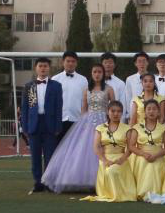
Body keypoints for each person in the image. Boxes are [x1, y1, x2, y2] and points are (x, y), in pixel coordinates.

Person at [43, 64, 113, 193]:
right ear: (91, 74)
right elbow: (84, 109)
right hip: (88, 123)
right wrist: (82, 124)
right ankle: (88, 181)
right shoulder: (87, 89)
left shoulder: (109, 89)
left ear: (103, 74)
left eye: (99, 72)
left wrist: (112, 123)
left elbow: (113, 107)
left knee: (103, 149)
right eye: (94, 72)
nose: (97, 74)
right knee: (85, 151)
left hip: (104, 122)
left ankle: (104, 180)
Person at [21, 57, 63, 194]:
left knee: (50, 155)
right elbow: (25, 108)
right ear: (36, 68)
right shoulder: (29, 86)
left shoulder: (56, 86)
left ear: (49, 68)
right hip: (34, 124)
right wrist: (24, 127)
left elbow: (59, 107)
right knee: (35, 156)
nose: (43, 68)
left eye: (45, 66)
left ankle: (49, 182)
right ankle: (38, 182)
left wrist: (58, 126)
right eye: (40, 66)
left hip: (50, 124)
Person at [90, 101, 137, 202]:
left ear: (122, 113)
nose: (116, 114)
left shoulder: (127, 128)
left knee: (112, 171)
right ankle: (109, 193)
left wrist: (122, 159)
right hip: (105, 159)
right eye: (113, 111)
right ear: (108, 112)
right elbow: (96, 147)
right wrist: (104, 160)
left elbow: (130, 147)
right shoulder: (100, 128)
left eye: (119, 111)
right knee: (109, 170)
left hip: (121, 159)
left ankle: (119, 194)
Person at [128, 104, 165, 199]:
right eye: (149, 109)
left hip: (158, 155)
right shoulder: (137, 127)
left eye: (154, 109)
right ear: (145, 112)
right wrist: (143, 154)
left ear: (158, 112)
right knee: (143, 162)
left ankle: (155, 193)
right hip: (142, 155)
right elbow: (131, 146)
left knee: (155, 165)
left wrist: (156, 156)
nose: (151, 111)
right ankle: (142, 193)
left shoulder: (164, 128)